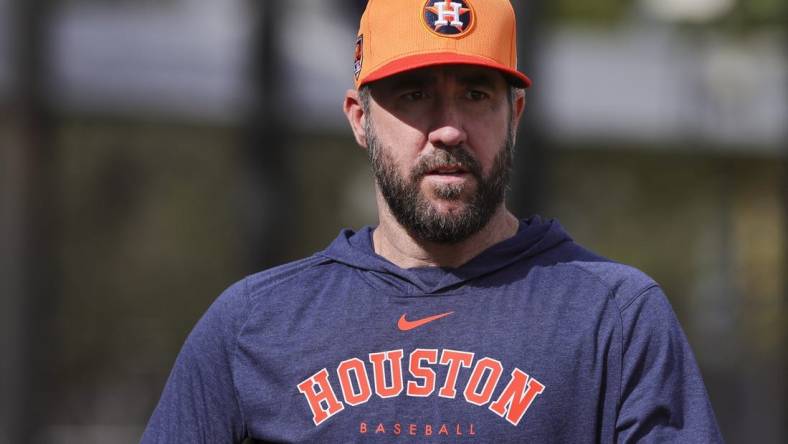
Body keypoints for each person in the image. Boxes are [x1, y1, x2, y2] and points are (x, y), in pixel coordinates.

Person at [142, 0, 723, 442]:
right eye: (415, 94)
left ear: (514, 115)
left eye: (475, 94)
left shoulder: (614, 319)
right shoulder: (253, 325)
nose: (448, 127)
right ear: (359, 119)